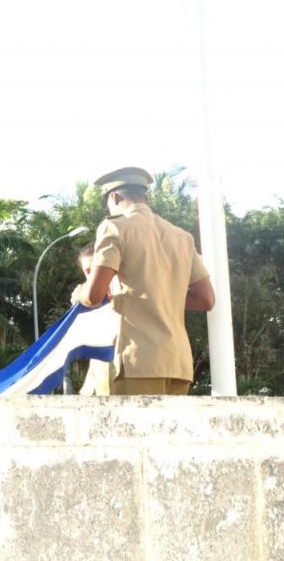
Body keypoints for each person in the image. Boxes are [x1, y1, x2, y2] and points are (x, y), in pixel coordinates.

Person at [73, 167, 215, 395]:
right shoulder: (182, 237)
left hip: (138, 361)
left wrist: (79, 292)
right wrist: (164, 293)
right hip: (178, 363)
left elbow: (93, 295)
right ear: (144, 196)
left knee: (131, 431)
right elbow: (206, 299)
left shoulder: (116, 227)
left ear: (114, 197)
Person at [72, 244, 113, 395]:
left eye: (96, 269)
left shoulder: (126, 289)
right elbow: (77, 297)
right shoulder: (82, 294)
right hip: (98, 373)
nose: (92, 275)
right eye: (88, 271)